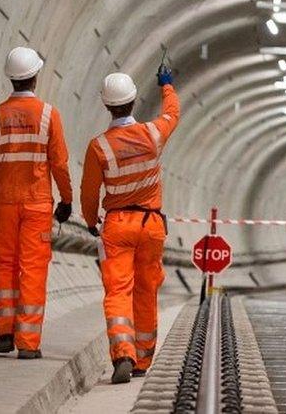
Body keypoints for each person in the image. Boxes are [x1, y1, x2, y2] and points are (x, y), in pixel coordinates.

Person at [0, 46, 73, 359]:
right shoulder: (48, 115)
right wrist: (67, 200)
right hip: (38, 204)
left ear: (11, 79)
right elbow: (60, 163)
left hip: (4, 204)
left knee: (3, 265)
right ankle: (28, 343)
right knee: (32, 269)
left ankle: (4, 334)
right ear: (35, 77)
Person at [80, 65, 179, 384]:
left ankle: (123, 352)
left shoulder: (99, 146)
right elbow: (173, 113)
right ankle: (143, 358)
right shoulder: (153, 133)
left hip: (117, 225)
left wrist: (89, 219)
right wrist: (167, 86)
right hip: (151, 225)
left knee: (118, 291)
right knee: (147, 289)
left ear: (107, 105)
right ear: (134, 101)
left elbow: (89, 190)